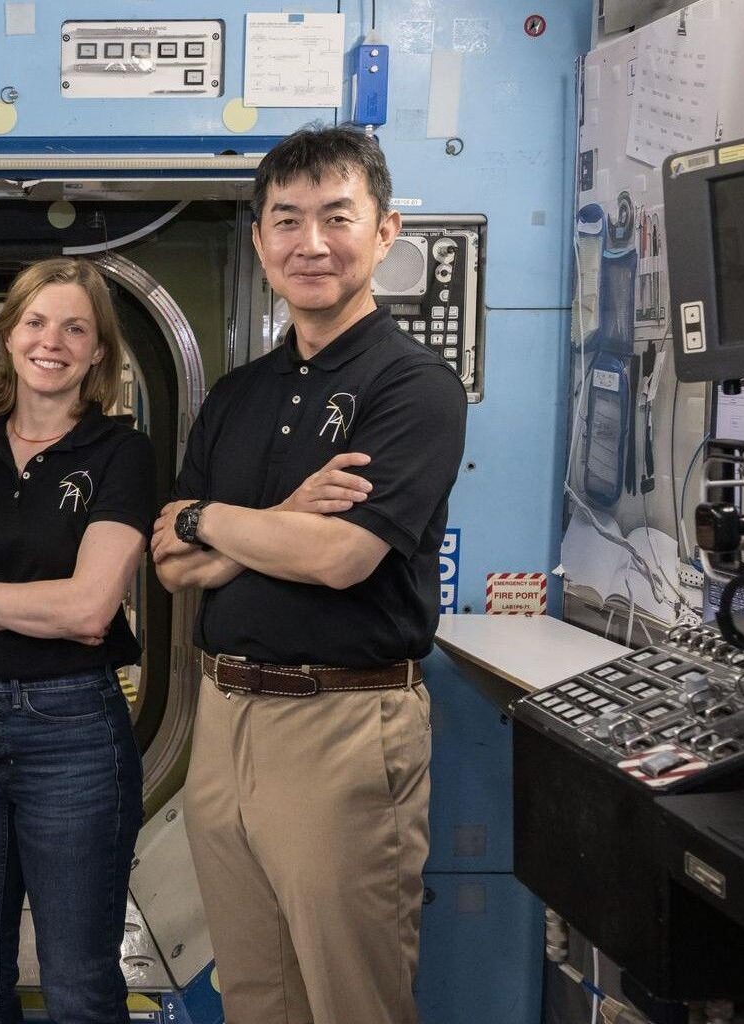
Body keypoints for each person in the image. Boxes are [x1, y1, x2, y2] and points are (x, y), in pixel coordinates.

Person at [149, 125, 467, 1024]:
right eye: (286, 221)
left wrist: (212, 521)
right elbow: (169, 560)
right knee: (256, 995)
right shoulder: (236, 395)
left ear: (385, 230)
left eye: (337, 217)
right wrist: (284, 514)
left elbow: (341, 558)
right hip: (222, 719)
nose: (311, 243)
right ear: (260, 241)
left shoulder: (414, 387)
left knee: (350, 998)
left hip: (343, 725)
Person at [0, 257, 154, 1024]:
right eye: (36, 323)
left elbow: (89, 611)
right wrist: (32, 603)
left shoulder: (121, 455)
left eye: (75, 328)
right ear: (8, 338)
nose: (53, 341)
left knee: (78, 983)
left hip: (75, 732)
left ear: (99, 351)